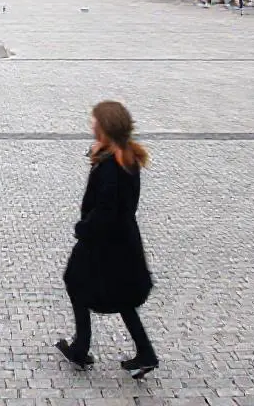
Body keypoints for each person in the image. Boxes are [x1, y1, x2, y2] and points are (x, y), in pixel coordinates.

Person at [57, 101, 158, 379]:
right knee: (122, 295)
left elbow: (106, 208)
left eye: (95, 122)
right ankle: (145, 352)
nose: (91, 125)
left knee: (74, 281)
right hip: (123, 241)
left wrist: (84, 229)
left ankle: (81, 347)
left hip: (104, 242)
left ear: (104, 128)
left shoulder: (113, 165)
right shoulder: (124, 156)